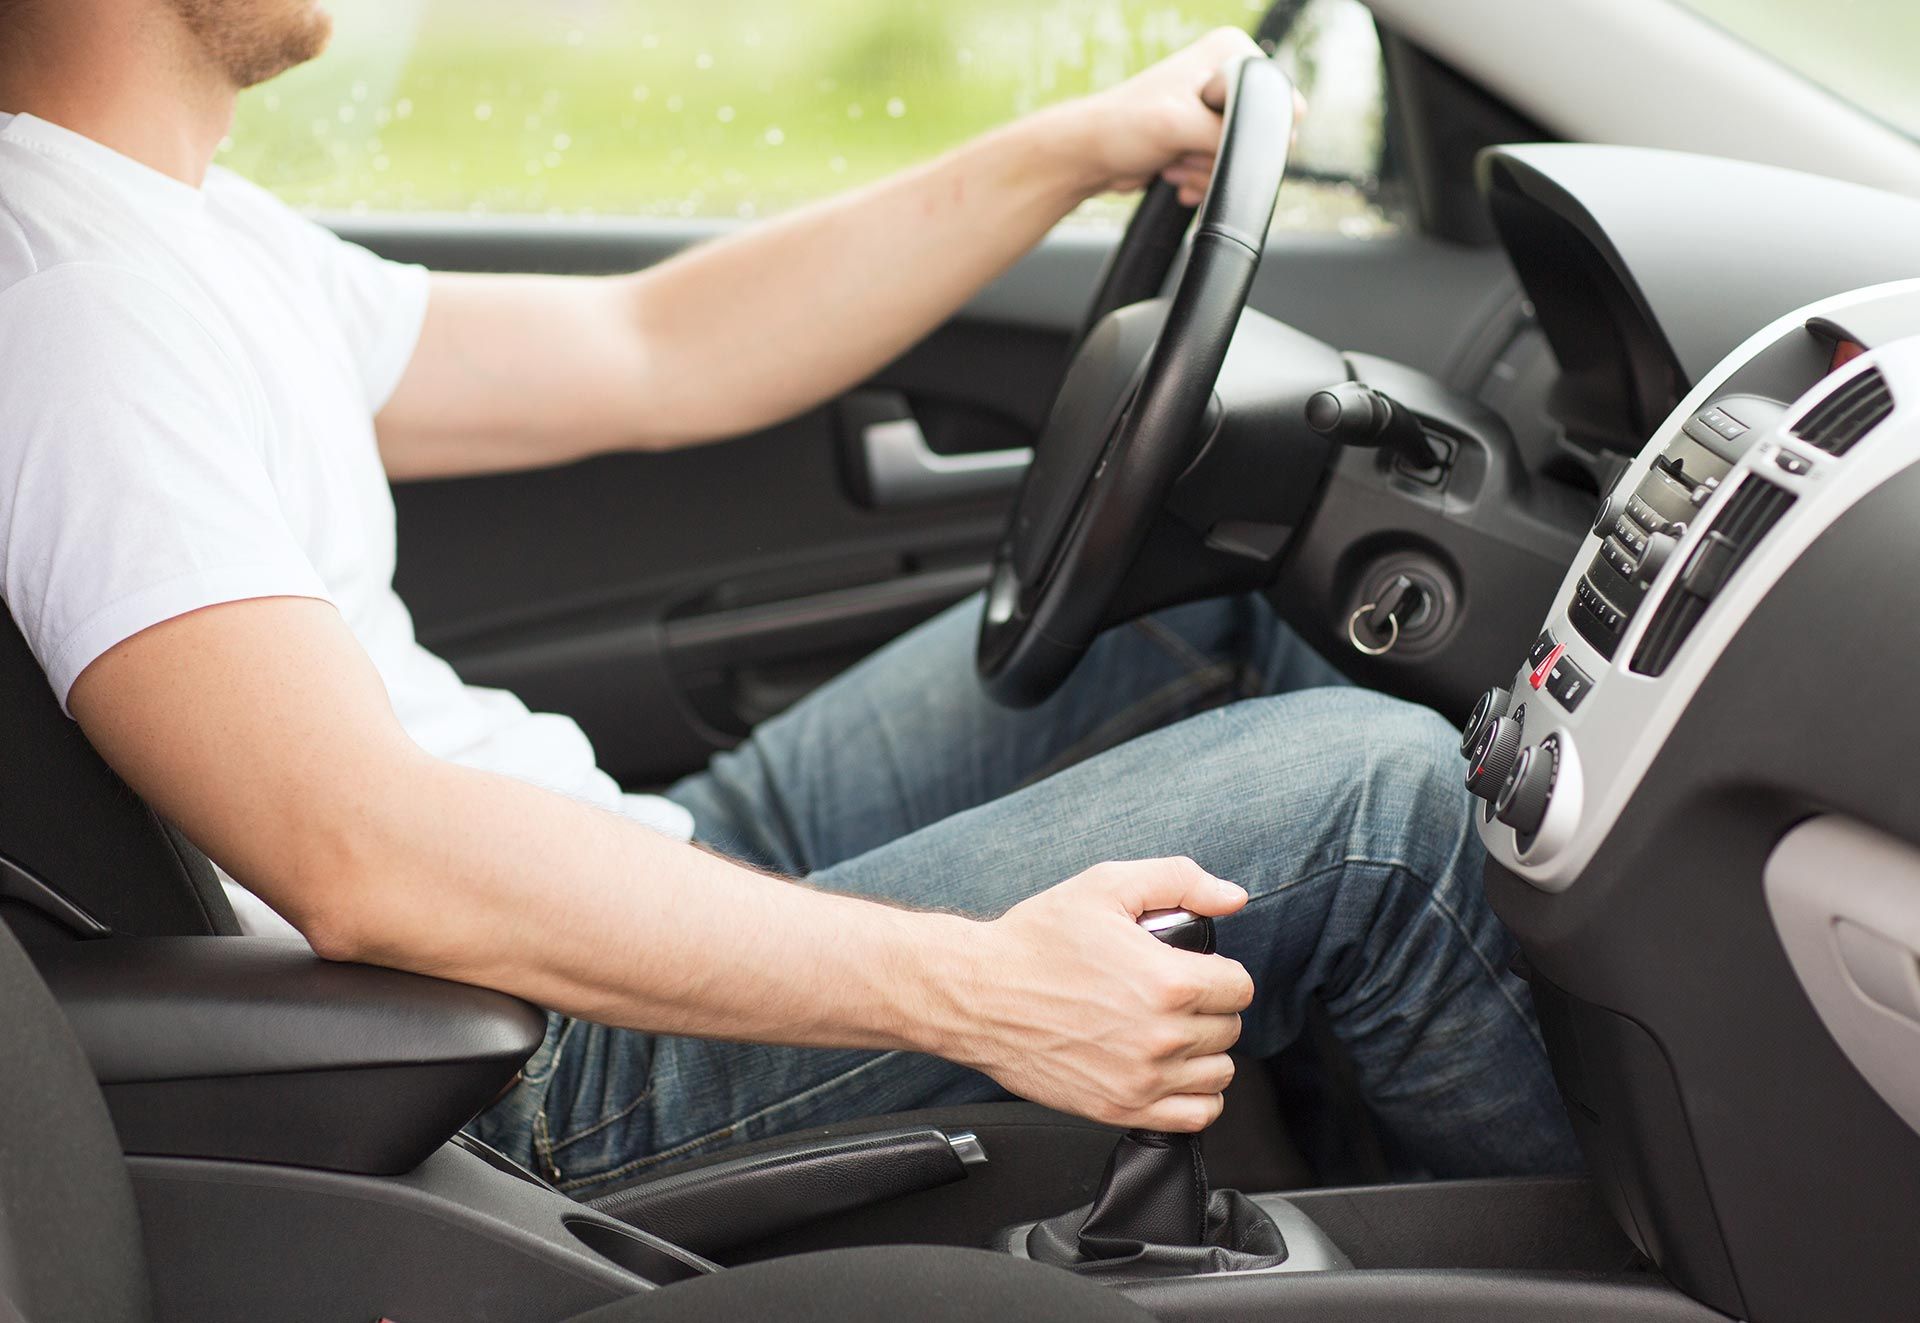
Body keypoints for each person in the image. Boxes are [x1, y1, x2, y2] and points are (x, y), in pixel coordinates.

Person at [0, 0, 1578, 1195]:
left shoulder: (179, 231)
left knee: (1214, 600)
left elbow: (654, 350)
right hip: (505, 1064)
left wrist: (1072, 146)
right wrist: (984, 989)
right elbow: (361, 852)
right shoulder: (72, 311)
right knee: (1382, 811)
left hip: (607, 865)